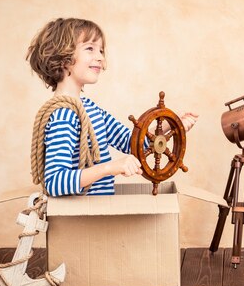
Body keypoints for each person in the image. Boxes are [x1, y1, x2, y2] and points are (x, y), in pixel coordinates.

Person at [26, 18, 198, 196]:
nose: (100, 57)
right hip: (81, 220)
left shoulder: (89, 108)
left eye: (100, 50)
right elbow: (55, 182)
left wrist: (173, 126)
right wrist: (110, 167)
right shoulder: (64, 115)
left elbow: (132, 142)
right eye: (90, 48)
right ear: (63, 57)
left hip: (99, 215)